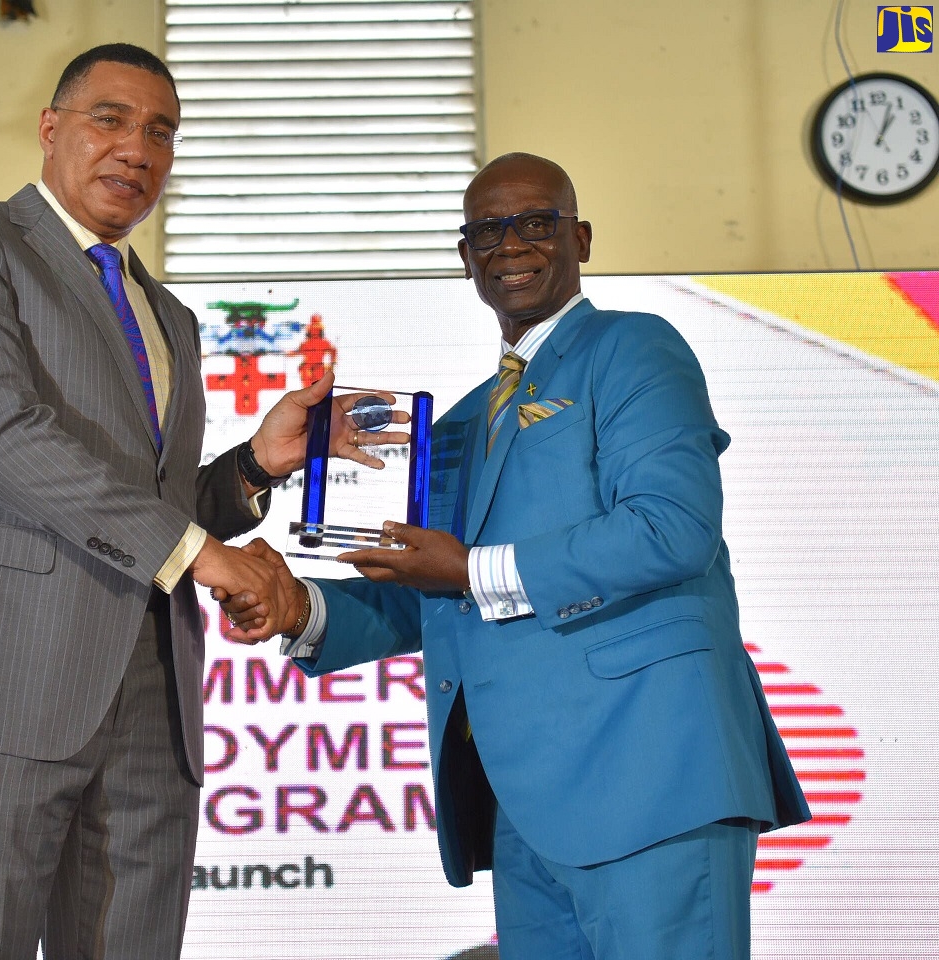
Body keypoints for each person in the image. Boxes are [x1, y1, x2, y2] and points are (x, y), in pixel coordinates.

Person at [0, 43, 402, 960]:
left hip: (153, 699)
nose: (137, 149)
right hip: (1, 683)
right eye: (109, 119)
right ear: (50, 129)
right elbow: (1, 439)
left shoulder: (170, 316)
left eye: (161, 132)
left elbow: (163, 500)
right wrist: (201, 553)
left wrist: (258, 467)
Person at [221, 153, 812, 960]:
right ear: (466, 258)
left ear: (582, 238)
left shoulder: (634, 348)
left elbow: (672, 527)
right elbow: (428, 585)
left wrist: (466, 570)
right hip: (522, 805)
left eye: (537, 222)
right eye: (488, 230)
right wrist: (302, 606)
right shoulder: (460, 420)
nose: (513, 244)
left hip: (652, 777)